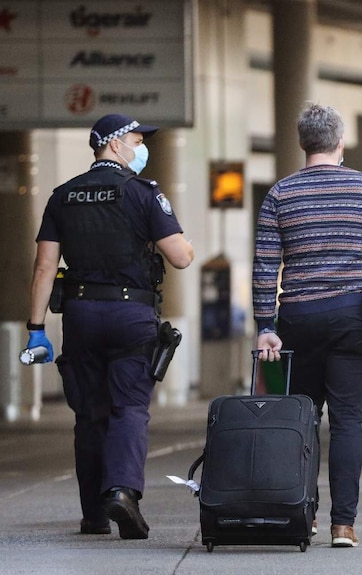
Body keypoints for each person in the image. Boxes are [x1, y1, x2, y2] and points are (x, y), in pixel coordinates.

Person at [253, 102, 362, 548]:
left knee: (302, 419)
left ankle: (302, 516)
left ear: (302, 143)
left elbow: (266, 266)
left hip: (299, 319)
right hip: (354, 317)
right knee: (349, 421)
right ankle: (343, 525)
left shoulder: (280, 194)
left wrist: (265, 324)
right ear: (340, 142)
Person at [26, 114, 194, 539]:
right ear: (115, 144)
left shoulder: (62, 196)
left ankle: (93, 515)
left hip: (81, 315)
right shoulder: (141, 193)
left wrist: (35, 327)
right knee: (129, 407)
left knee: (89, 414)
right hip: (129, 315)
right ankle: (121, 491)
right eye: (138, 140)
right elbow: (180, 257)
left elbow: (45, 265)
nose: (142, 148)